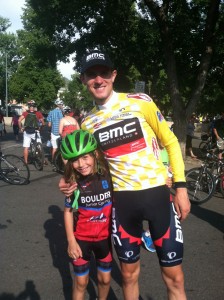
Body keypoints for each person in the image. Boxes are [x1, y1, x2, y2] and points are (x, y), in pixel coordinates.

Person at [59, 50, 191, 300]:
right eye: (91, 75)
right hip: (122, 204)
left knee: (175, 278)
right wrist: (68, 180)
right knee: (129, 277)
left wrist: (181, 189)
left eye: (104, 73)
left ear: (114, 75)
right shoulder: (88, 123)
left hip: (158, 197)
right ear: (84, 80)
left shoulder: (140, 101)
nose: (99, 80)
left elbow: (172, 142)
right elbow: (88, 163)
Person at [60, 130, 113, 300]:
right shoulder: (73, 182)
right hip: (81, 238)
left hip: (104, 238)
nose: (81, 164)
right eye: (75, 160)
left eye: (85, 158)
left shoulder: (108, 175)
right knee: (81, 283)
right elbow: (68, 212)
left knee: (104, 280)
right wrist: (71, 242)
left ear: (95, 154)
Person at [47, 99, 64, 168]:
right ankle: (61, 161)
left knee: (54, 148)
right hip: (61, 132)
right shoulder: (62, 112)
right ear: (59, 105)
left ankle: (54, 162)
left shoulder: (51, 112)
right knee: (62, 147)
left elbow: (49, 125)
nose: (62, 106)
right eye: (62, 105)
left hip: (53, 132)